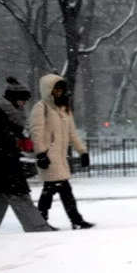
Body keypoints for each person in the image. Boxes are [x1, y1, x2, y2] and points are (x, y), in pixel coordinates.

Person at [0, 77, 56, 234]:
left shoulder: (8, 114)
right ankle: (37, 228)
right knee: (19, 195)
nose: (24, 103)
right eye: (22, 100)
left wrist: (19, 143)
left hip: (3, 162)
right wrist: (10, 148)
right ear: (13, 99)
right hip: (3, 164)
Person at [29, 73, 94, 229]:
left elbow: (72, 133)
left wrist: (82, 151)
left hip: (60, 157)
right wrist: (40, 153)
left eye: (60, 89)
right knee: (61, 188)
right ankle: (73, 220)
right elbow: (36, 132)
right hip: (49, 156)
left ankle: (41, 222)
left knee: (53, 189)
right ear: (47, 89)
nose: (58, 92)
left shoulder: (64, 108)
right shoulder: (41, 107)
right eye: (55, 88)